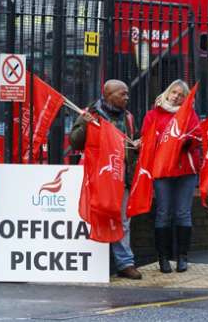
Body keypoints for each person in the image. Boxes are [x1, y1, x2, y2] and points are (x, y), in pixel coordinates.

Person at [69, 79, 142, 280]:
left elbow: (130, 144)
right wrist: (84, 122)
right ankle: (96, 263)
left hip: (120, 175)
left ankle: (125, 263)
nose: (127, 98)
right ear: (108, 94)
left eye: (127, 94)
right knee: (98, 216)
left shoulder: (128, 117)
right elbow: (75, 142)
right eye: (122, 94)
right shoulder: (91, 114)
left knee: (122, 221)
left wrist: (137, 145)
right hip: (99, 175)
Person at [141, 79, 201, 273]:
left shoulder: (190, 115)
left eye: (181, 95)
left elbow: (197, 136)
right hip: (162, 170)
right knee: (164, 214)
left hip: (185, 171)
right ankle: (163, 258)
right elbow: (146, 138)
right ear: (167, 93)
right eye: (173, 92)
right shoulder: (153, 115)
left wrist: (186, 142)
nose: (176, 96)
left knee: (183, 213)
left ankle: (182, 257)